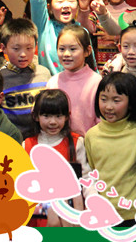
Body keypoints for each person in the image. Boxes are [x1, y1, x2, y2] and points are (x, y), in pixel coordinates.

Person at [84, 72, 136, 224]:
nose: (108, 106)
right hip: (103, 214)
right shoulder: (91, 135)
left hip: (135, 213)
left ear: (130, 102)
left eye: (116, 100)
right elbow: (91, 173)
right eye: (103, 99)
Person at [23, 89, 89, 227]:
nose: (53, 122)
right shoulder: (27, 145)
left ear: (67, 116)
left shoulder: (76, 143)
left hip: (69, 216)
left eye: (58, 116)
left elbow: (86, 179)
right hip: (37, 217)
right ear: (36, 116)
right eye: (46, 116)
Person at [0, 18, 52, 138]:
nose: (23, 54)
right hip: (11, 138)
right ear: (4, 48)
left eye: (29, 48)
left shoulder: (44, 73)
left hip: (41, 138)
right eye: (16, 49)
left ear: (35, 46)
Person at [46, 24, 102, 136]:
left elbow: (101, 120)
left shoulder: (97, 82)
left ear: (87, 51)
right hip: (59, 142)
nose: (66, 54)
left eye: (73, 49)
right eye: (62, 49)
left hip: (89, 142)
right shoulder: (53, 82)